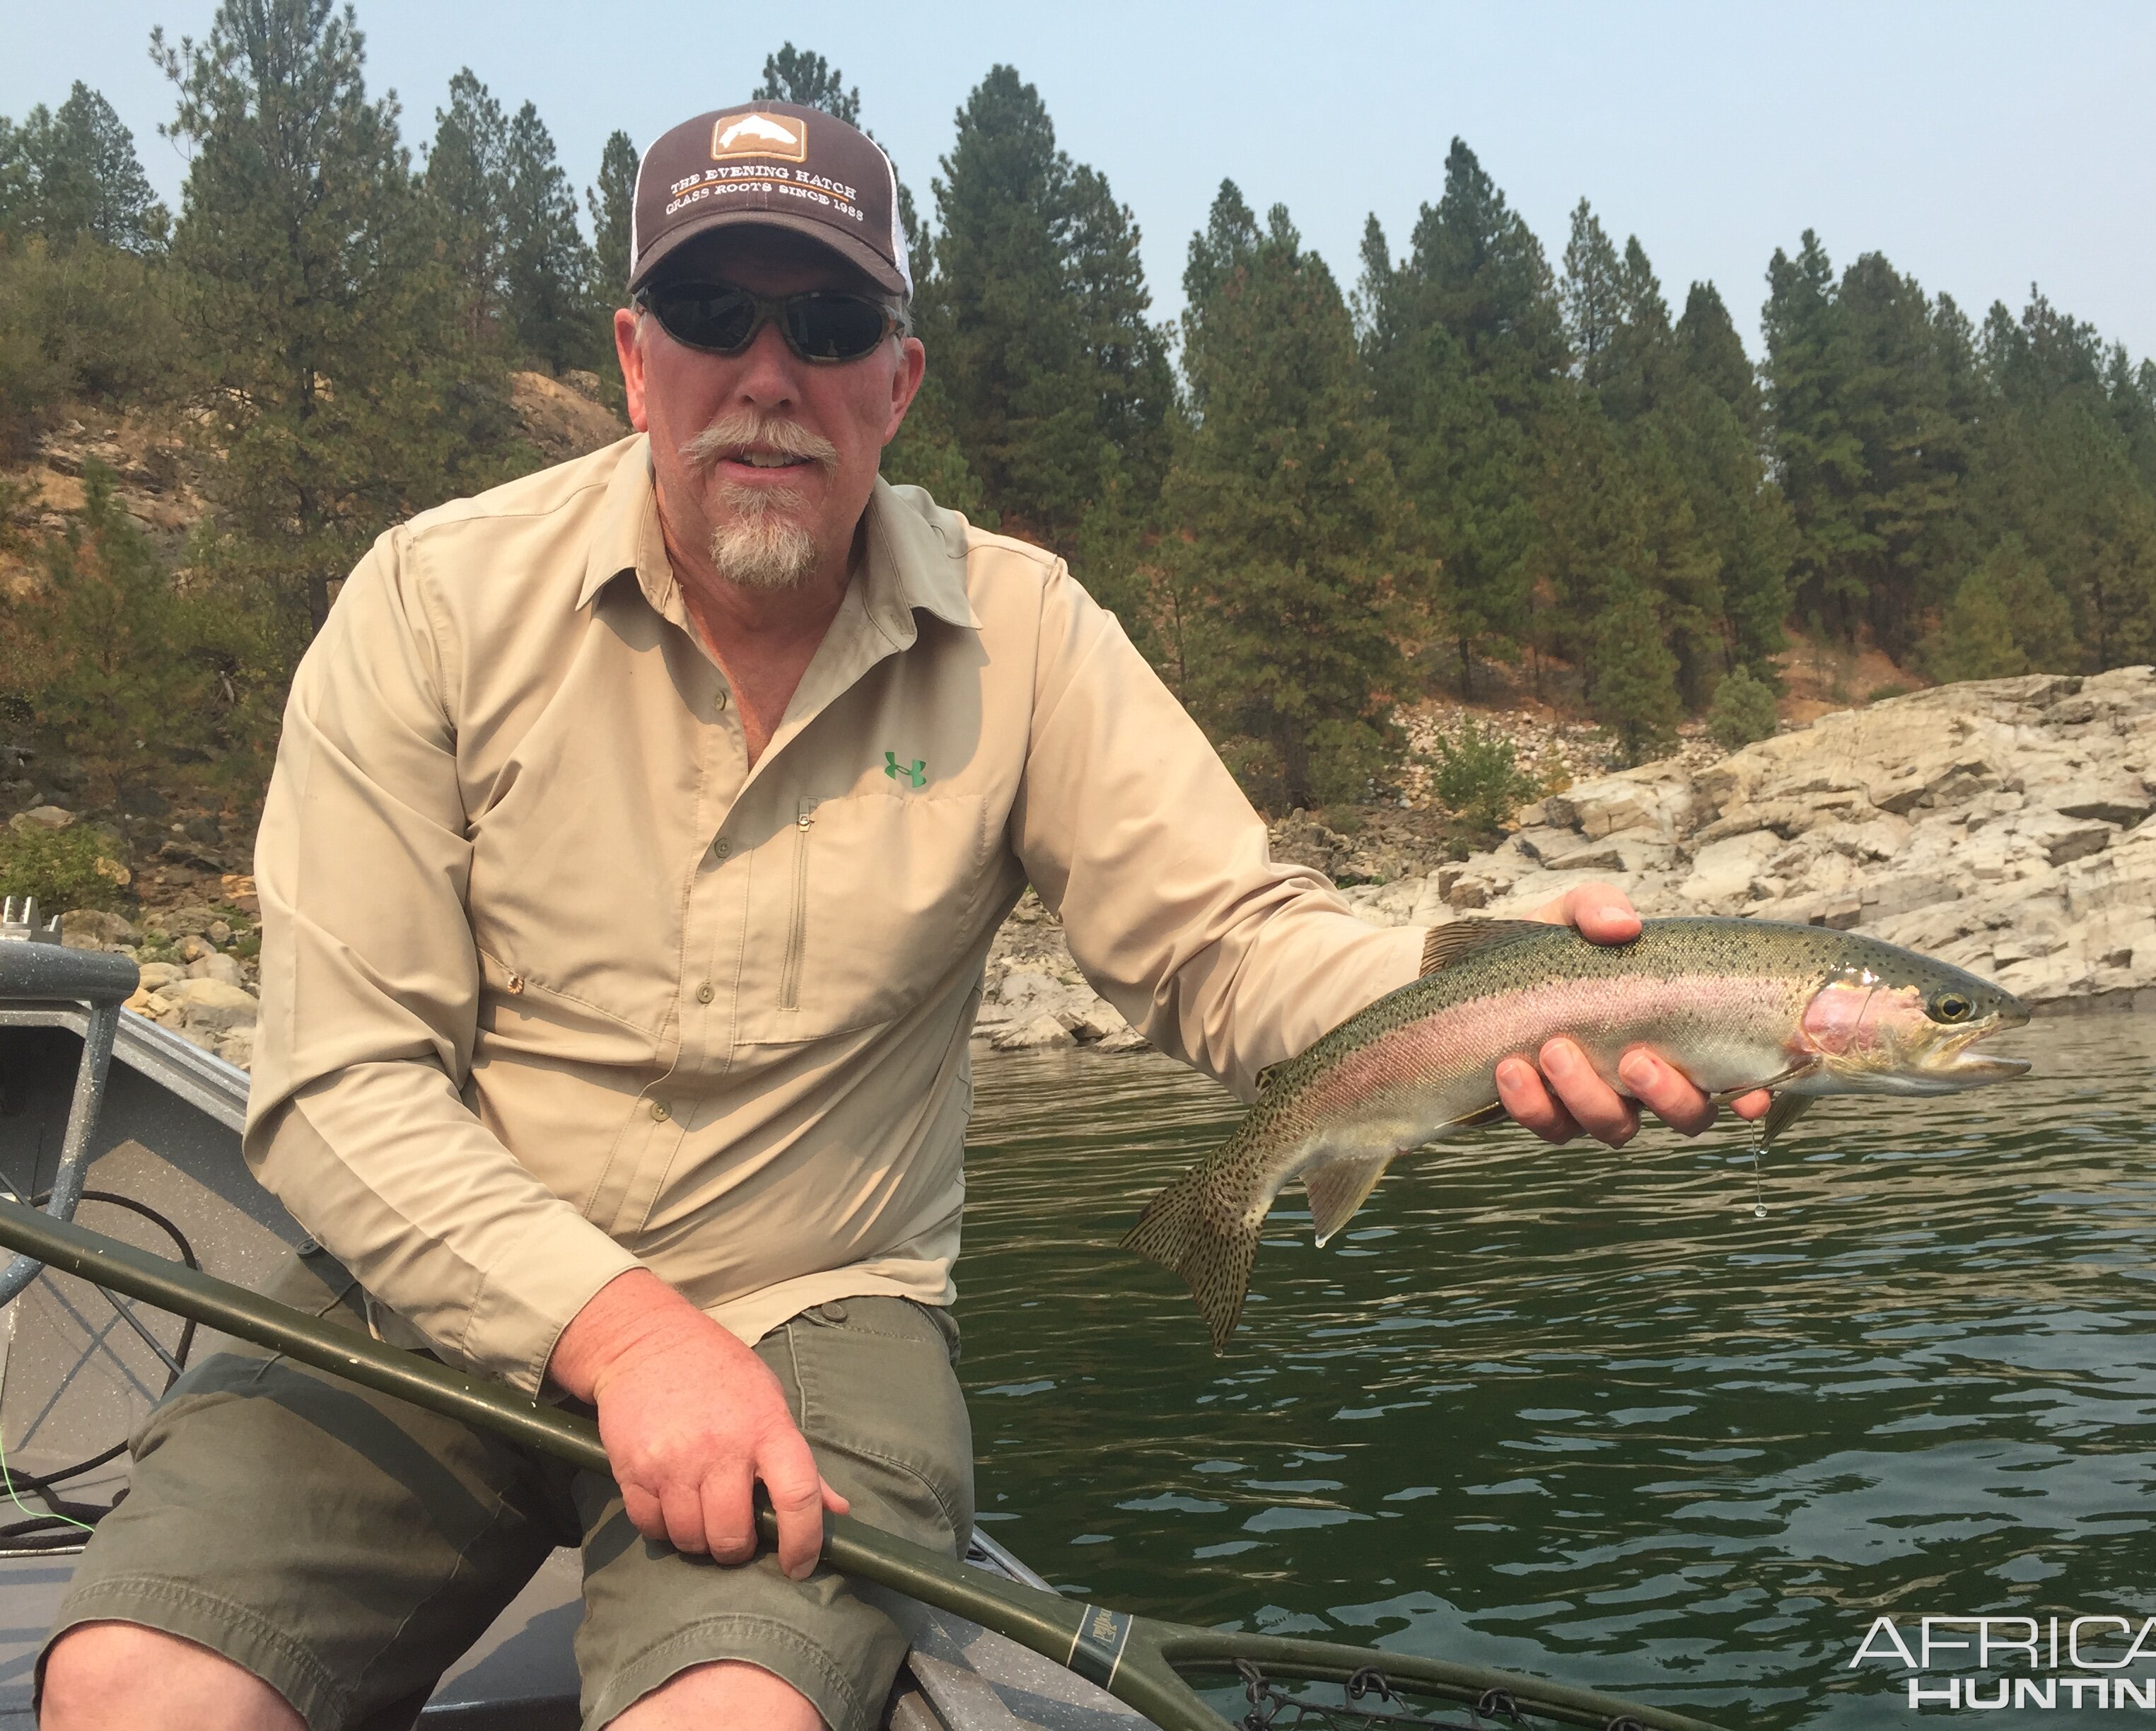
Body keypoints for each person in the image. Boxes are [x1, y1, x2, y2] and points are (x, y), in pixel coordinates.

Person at [37, 102, 1766, 1731]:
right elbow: (340, 1088)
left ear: (900, 382)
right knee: (131, 1684)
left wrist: (1480, 985)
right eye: (714, 311)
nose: (770, 376)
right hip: (427, 1283)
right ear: (638, 364)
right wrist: (627, 1332)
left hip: (819, 1295)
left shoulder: (1030, 635)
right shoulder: (425, 605)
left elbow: (1225, 943)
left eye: (831, 323)